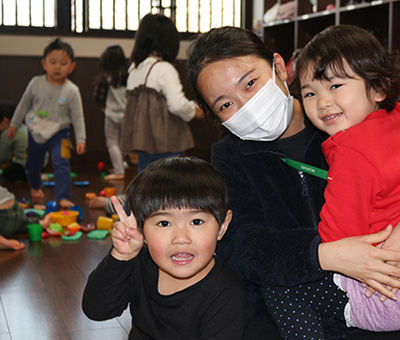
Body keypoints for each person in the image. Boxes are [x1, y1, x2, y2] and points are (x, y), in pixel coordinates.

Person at [187, 26, 400, 339]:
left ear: (279, 67)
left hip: (379, 295)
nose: (246, 105)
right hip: (290, 317)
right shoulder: (231, 157)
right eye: (225, 104)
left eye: (250, 83)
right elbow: (241, 245)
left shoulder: (352, 115)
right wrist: (326, 255)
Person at [266, 24, 400, 338]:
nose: (323, 102)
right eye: (310, 92)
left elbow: (337, 236)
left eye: (336, 86)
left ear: (379, 88)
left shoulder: (351, 151)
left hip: (386, 296)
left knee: (282, 288)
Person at [82, 156, 248, 339]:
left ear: (222, 226)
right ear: (141, 229)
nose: (181, 239)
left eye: (196, 221)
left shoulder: (226, 295)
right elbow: (96, 310)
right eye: (163, 223)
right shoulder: (140, 263)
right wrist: (121, 257)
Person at [9, 38, 86, 208]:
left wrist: (81, 139)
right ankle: (35, 186)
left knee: (62, 161)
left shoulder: (72, 90)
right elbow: (23, 104)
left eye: (63, 63)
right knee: (33, 165)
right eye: (53, 62)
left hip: (62, 132)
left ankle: (63, 197)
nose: (57, 67)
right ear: (44, 64)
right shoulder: (36, 83)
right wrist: (14, 124)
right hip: (35, 130)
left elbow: (78, 117)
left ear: (71, 67)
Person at [120, 14, 203, 172]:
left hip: (142, 140)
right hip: (166, 140)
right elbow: (177, 105)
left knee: (146, 182)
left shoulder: (134, 69)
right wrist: (194, 111)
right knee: (171, 183)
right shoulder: (164, 68)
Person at [95, 45, 128, 182]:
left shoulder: (106, 78)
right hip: (126, 115)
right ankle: (121, 164)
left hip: (111, 115)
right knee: (122, 142)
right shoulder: (129, 75)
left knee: (112, 143)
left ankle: (119, 171)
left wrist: (104, 106)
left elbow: (98, 97)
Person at [0, 185, 52, 251]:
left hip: (4, 217)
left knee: (7, 223)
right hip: (17, 210)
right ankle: (40, 223)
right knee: (20, 223)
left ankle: (4, 242)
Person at [0, 102, 27, 181]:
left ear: (5, 120)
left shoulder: (9, 132)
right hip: (40, 166)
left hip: (23, 168)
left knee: (7, 172)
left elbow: (2, 157)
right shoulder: (24, 127)